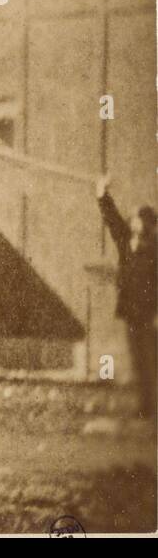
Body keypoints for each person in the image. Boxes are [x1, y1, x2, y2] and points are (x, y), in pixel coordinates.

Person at [96, 175, 156, 419]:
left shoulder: (155, 248)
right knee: (139, 362)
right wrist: (101, 193)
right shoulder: (125, 241)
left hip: (150, 315)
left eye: (137, 217)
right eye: (132, 217)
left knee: (151, 362)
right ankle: (146, 408)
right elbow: (112, 219)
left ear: (147, 223)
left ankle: (152, 409)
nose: (132, 220)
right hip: (132, 312)